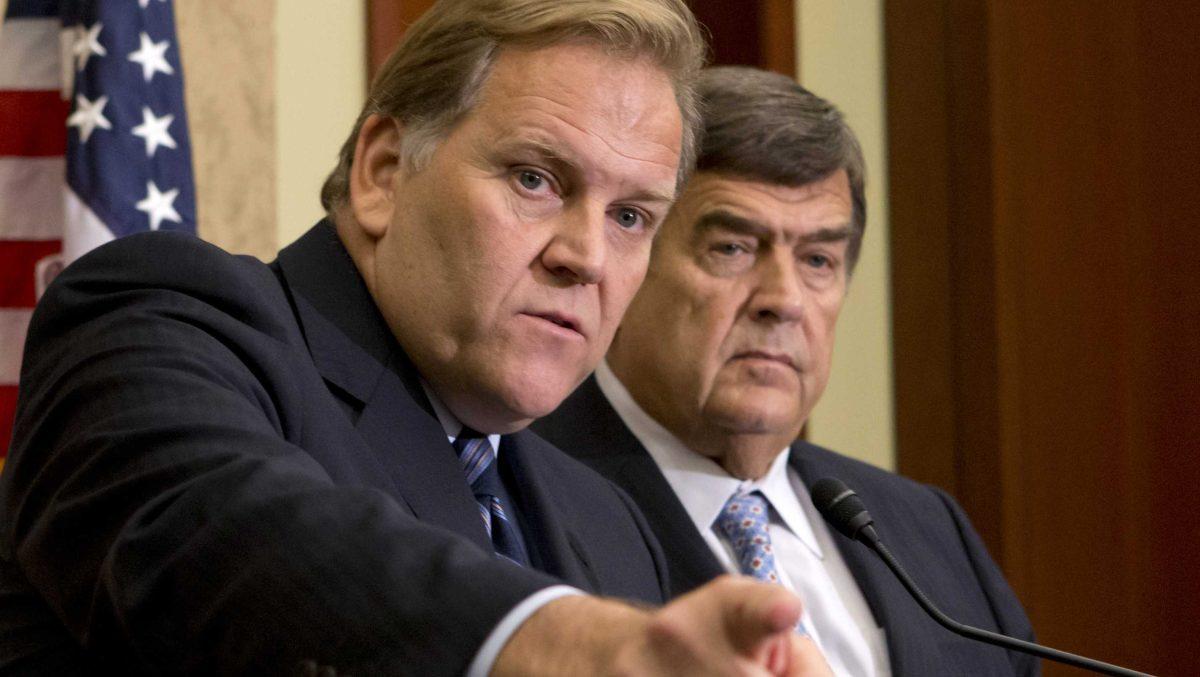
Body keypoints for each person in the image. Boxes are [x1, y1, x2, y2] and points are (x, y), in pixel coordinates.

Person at [0, 3, 830, 675]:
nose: (586, 257)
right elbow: (221, 539)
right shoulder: (160, 314)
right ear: (384, 171)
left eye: (630, 216)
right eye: (536, 179)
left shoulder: (609, 518)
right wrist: (561, 643)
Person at [533, 66, 1039, 676]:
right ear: (633, 260)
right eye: (732, 248)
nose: (784, 298)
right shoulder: (520, 497)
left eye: (818, 260)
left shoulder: (927, 530)